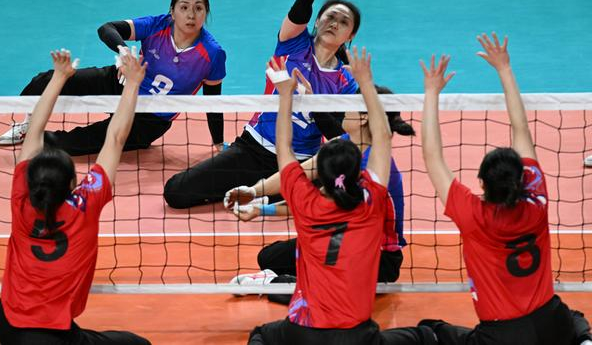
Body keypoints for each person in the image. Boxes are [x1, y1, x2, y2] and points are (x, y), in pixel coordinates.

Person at [248, 48, 436, 345]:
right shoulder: (367, 191)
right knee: (426, 334)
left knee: (264, 330)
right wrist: (254, 193)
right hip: (357, 329)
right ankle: (279, 282)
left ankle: (277, 284)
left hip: (374, 265)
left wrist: (285, 96)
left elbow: (286, 154)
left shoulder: (312, 199)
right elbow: (382, 137)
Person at [417, 33, 592, 345]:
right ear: (523, 179)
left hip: (502, 336)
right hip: (551, 321)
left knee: (431, 331)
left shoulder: (472, 215)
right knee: (574, 320)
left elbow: (432, 156)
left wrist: (431, 93)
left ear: (482, 183)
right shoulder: (536, 200)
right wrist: (505, 68)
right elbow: (521, 128)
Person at [164, 0, 360, 209]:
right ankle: (259, 192)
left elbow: (339, 136)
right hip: (254, 149)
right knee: (175, 192)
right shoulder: (294, 44)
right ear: (317, 21)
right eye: (330, 17)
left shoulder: (346, 83)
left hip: (300, 162)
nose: (334, 24)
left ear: (351, 36)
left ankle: (264, 194)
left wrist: (311, 102)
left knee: (336, 192)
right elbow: (300, 9)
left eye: (343, 22)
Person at [0, 49, 151, 345]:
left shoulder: (22, 197)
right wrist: (133, 83)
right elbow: (115, 138)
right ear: (73, 183)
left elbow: (33, 132)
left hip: (5, 319)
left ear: (31, 179)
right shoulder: (85, 205)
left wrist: (59, 77)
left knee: (1, 326)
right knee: (139, 344)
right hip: (51, 336)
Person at [225, 85, 415, 299]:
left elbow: (315, 202)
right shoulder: (344, 143)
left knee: (331, 292)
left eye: (351, 105)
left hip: (376, 258)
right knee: (269, 258)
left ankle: (274, 282)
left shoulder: (371, 169)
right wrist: (253, 191)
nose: (344, 109)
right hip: (340, 239)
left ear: (364, 118)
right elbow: (301, 171)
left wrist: (261, 210)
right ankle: (297, 276)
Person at [0, 0, 226, 156]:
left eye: (198, 8)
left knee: (73, 144)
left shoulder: (212, 53)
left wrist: (218, 142)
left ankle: (36, 136)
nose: (191, 15)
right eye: (184, 7)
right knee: (45, 80)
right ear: (172, 12)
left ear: (206, 13)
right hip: (122, 84)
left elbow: (212, 101)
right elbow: (107, 28)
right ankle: (27, 123)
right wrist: (124, 53)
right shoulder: (157, 25)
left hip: (149, 120)